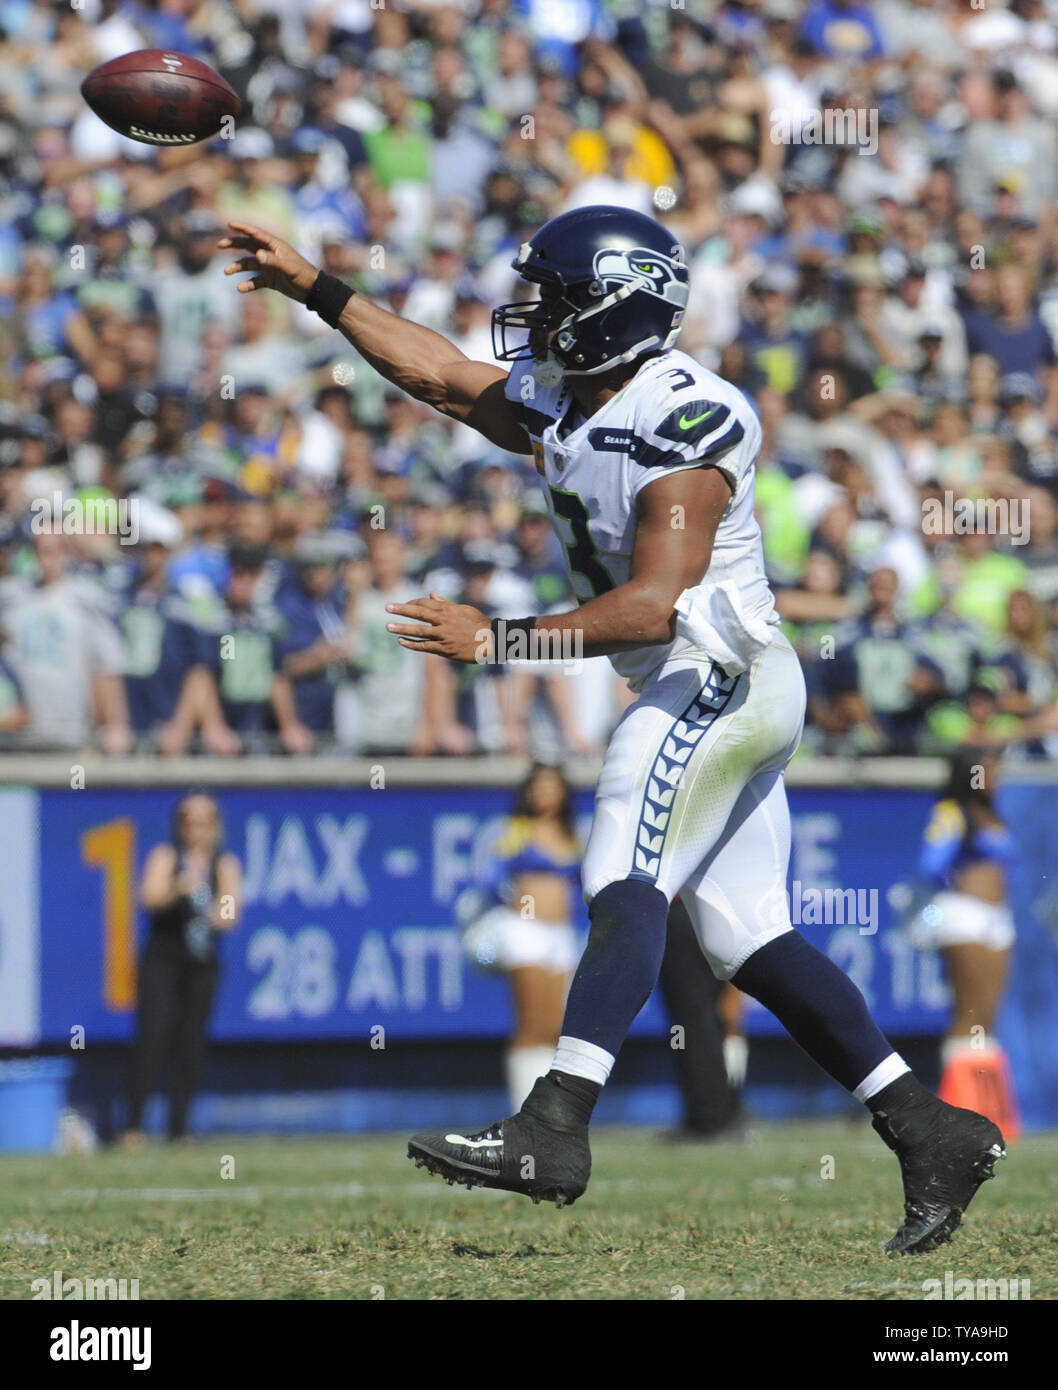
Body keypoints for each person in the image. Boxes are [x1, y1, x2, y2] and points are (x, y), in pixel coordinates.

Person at [219, 204, 1005, 1254]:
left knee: (621, 872)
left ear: (611, 308)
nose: (534, 313)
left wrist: (496, 639)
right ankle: (928, 1126)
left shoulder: (685, 417)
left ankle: (556, 1124)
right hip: (702, 676)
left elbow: (649, 602)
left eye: (554, 296)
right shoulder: (568, 395)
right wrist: (314, 285)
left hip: (711, 669)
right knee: (744, 938)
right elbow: (442, 376)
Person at [909, 749, 1020, 1138]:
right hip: (964, 915)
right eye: (989, 770)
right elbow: (929, 864)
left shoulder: (992, 814)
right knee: (968, 1012)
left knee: (987, 1017)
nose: (996, 777)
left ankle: (986, 1110)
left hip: (996, 919)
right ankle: (956, 1114)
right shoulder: (951, 812)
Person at [123, 791, 242, 1146]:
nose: (197, 831)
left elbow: (230, 914)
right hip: (164, 959)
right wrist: (179, 889)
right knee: (152, 1038)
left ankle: (179, 1129)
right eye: (190, 822)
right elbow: (149, 897)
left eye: (205, 823)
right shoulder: (166, 856)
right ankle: (134, 1127)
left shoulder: (224, 864)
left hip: (201, 962)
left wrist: (209, 908)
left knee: (190, 1043)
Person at [461, 764, 582, 1112]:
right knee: (530, 1023)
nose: (544, 793)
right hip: (523, 930)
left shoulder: (572, 836)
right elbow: (490, 878)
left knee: (555, 1028)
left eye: (551, 786)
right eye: (538, 787)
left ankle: (549, 1112)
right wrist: (513, 902)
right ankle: (524, 1113)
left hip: (560, 936)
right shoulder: (516, 831)